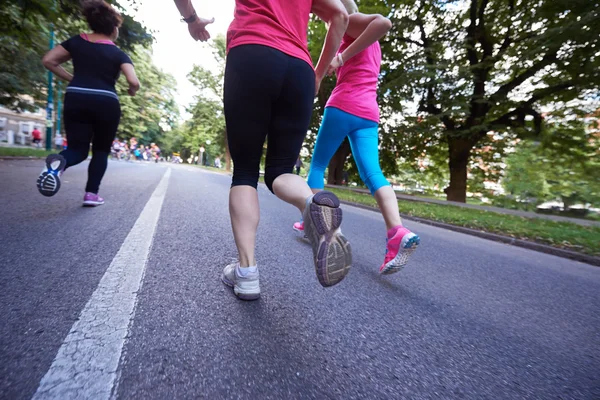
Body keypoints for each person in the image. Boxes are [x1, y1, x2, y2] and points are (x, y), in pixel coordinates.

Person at [174, 0, 351, 300]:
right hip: (299, 69)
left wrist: (191, 18)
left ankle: (246, 274)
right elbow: (341, 15)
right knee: (281, 170)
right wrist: (318, 73)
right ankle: (311, 204)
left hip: (252, 52)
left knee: (244, 170)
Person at [294, 0, 420, 275]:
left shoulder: (352, 22)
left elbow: (384, 22)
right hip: (368, 113)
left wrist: (340, 56)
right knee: (374, 174)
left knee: (316, 166)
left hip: (342, 106)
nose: (323, 15)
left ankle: (321, 228)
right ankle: (396, 231)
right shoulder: (371, 44)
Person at [37, 0, 140, 206]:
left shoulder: (76, 42)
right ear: (113, 28)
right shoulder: (118, 53)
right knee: (101, 150)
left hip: (77, 97)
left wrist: (72, 79)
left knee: (77, 149)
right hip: (106, 102)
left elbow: (49, 60)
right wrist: (132, 90)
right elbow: (133, 81)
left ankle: (57, 165)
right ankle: (91, 194)